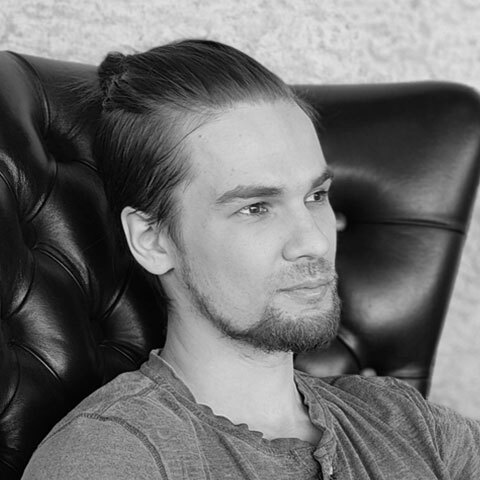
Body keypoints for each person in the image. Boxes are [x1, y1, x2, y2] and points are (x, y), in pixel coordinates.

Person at [22, 39, 480, 480]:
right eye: (256, 207)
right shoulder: (111, 458)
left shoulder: (408, 422)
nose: (315, 242)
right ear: (153, 240)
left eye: (316, 196)